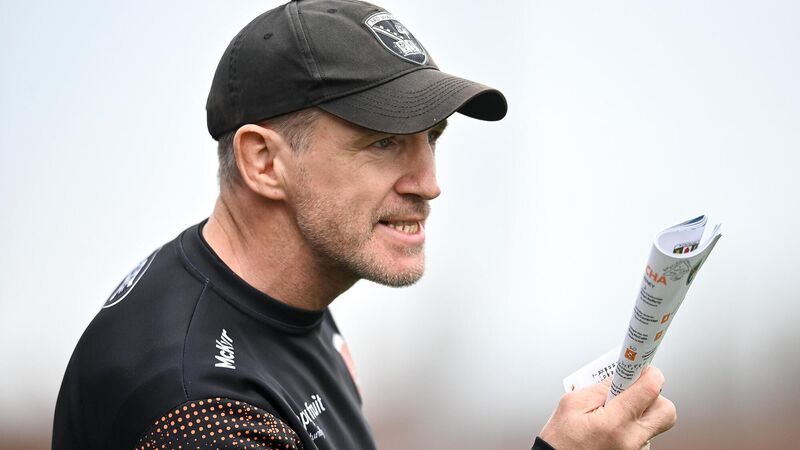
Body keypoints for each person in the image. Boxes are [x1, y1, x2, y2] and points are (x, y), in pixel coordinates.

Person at [52, 1, 676, 449]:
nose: (428, 182)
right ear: (263, 162)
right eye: (383, 142)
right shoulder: (200, 411)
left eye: (432, 138)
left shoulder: (279, 291)